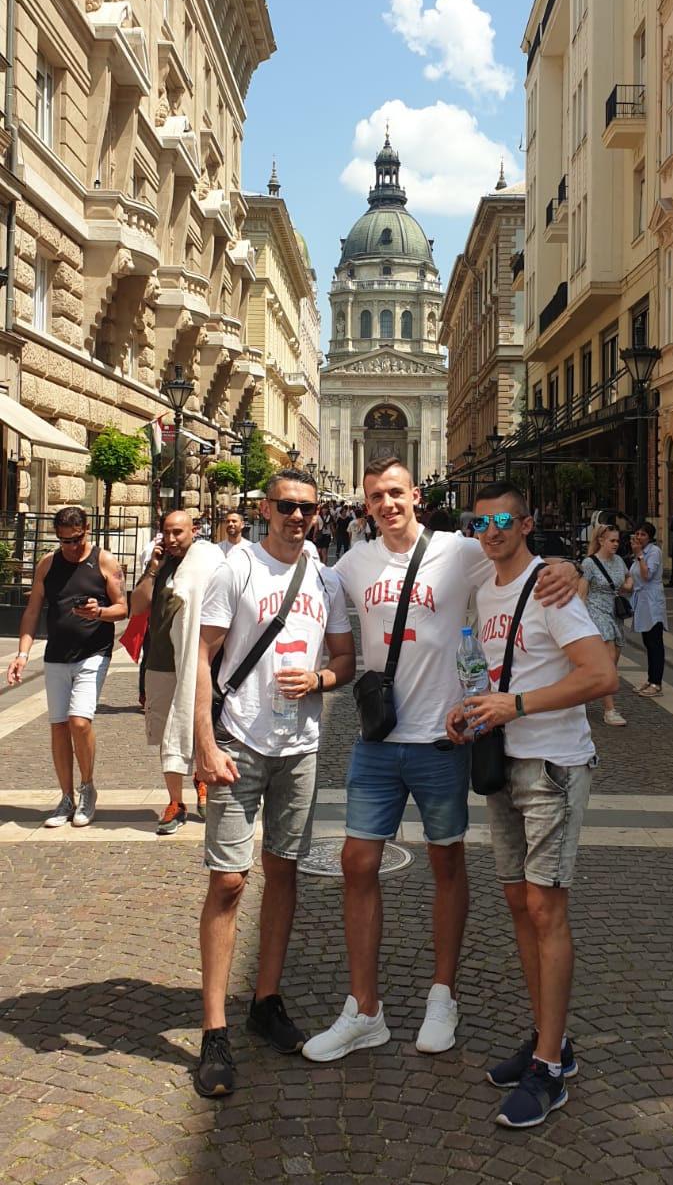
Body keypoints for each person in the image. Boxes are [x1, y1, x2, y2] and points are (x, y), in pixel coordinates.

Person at [301, 459, 580, 1065]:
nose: (386, 504)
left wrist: (569, 568)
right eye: (376, 496)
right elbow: (299, 584)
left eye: (395, 493)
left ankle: (442, 995)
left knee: (446, 862)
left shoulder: (460, 550)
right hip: (379, 739)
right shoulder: (353, 563)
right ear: (366, 504)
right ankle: (364, 1009)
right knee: (356, 862)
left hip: (444, 739)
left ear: (415, 495)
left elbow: (522, 561)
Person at [445, 482, 615, 1129]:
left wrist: (514, 705)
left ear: (526, 525)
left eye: (502, 522)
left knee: (546, 908)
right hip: (503, 762)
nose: (489, 532)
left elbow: (599, 674)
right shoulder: (481, 588)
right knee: (519, 903)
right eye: (479, 522)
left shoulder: (549, 587)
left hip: (552, 765)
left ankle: (549, 1070)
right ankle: (551, 1038)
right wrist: (471, 711)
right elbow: (493, 672)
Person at [192, 469, 355, 1098]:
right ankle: (214, 1028)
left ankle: (266, 999)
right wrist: (204, 744)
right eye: (286, 506)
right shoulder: (235, 568)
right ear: (266, 508)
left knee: (283, 871)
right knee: (229, 880)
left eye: (306, 508)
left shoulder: (325, 579)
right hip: (238, 742)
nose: (297, 517)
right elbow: (202, 658)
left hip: (301, 746)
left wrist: (320, 680)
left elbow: (344, 659)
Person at [6, 506, 127, 829]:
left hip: (93, 653)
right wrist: (22, 654)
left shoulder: (104, 561)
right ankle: (66, 796)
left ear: (86, 530)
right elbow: (32, 611)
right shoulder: (48, 564)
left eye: (75, 540)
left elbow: (122, 608)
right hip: (57, 655)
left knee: (79, 722)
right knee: (58, 725)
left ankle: (87, 787)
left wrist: (98, 612)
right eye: (63, 541)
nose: (70, 547)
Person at [130, 510, 222, 833]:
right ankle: (175, 801)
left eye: (178, 533)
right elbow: (136, 606)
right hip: (160, 662)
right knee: (167, 731)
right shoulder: (158, 565)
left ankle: (202, 779)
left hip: (198, 661)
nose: (171, 539)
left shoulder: (209, 560)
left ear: (193, 531)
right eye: (166, 533)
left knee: (199, 723)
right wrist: (153, 570)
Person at [578, 523, 634, 726]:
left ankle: (582, 692)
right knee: (608, 660)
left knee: (613, 660)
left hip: (615, 612)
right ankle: (609, 710)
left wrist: (627, 586)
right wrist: (581, 620)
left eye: (617, 541)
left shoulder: (619, 561)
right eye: (612, 540)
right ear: (601, 541)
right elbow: (581, 594)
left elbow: (628, 577)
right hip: (596, 612)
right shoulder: (589, 563)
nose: (616, 544)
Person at [630, 522, 668, 697]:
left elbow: (647, 575)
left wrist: (639, 555)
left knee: (655, 642)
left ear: (650, 537)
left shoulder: (653, 552)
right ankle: (650, 678)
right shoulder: (640, 553)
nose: (639, 537)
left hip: (652, 601)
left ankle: (656, 683)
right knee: (647, 642)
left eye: (643, 534)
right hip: (642, 601)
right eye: (637, 533)